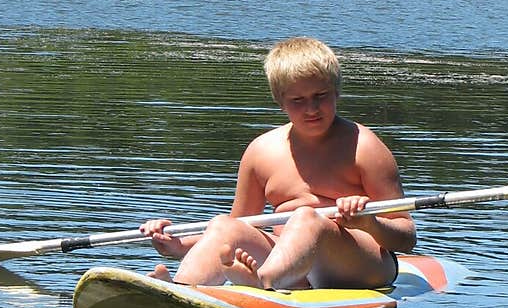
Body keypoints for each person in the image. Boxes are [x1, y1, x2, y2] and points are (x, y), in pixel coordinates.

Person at [141, 36, 416, 289]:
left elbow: (406, 237)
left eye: (321, 96)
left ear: (336, 92)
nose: (311, 109)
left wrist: (369, 223)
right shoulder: (261, 151)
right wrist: (178, 245)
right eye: (298, 100)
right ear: (280, 101)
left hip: (361, 264)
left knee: (307, 217)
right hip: (286, 260)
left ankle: (262, 282)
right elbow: (243, 226)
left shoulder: (365, 147)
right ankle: (180, 290)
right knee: (224, 225)